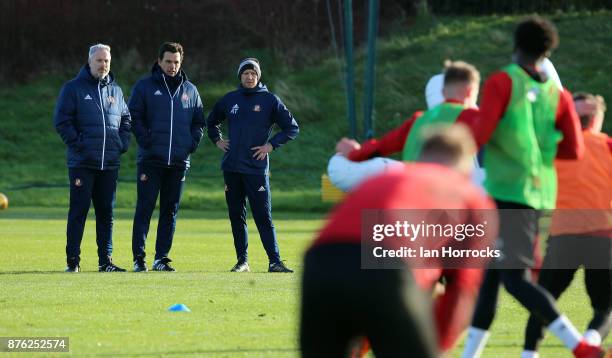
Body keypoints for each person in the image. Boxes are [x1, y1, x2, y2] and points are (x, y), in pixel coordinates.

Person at [460, 16, 602, 358]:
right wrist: (539, 149)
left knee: (515, 280)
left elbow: (481, 134)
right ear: (548, 50)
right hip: (536, 195)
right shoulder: (559, 94)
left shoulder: (502, 82)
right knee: (490, 281)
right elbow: (573, 149)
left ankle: (578, 345)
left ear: (516, 45)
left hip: (504, 192)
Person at [301, 124, 497, 357]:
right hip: (387, 266)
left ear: (421, 156)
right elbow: (462, 288)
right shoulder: (468, 195)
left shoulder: (388, 178)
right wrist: (436, 346)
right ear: (465, 166)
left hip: (320, 263)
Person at [522, 93, 611, 357]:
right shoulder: (607, 145)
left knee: (544, 300)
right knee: (604, 307)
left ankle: (529, 353)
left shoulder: (554, 149)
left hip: (563, 236)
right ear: (597, 118)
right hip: (602, 236)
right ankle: (590, 340)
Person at [206, 58, 299, 273]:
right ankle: (242, 261)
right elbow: (211, 121)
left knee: (263, 216)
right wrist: (217, 140)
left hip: (256, 170)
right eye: (246, 73)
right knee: (236, 215)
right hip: (231, 168)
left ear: (258, 77)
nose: (249, 77)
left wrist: (271, 145)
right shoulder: (230, 100)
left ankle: (274, 261)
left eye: (253, 74)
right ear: (240, 76)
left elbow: (291, 128)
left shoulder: (269, 100)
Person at [54, 44, 131, 272]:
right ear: (89, 62)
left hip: (109, 164)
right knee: (78, 212)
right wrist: (80, 145)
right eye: (99, 61)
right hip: (83, 163)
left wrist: (121, 144)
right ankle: (73, 262)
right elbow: (62, 121)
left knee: (106, 213)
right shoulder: (73, 89)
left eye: (106, 61)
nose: (103, 65)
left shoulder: (115, 91)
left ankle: (105, 261)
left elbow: (126, 119)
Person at [129, 42, 205, 272]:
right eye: (168, 62)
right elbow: (133, 116)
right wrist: (147, 140)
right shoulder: (144, 87)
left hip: (179, 163)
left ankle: (161, 258)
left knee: (170, 211)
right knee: (145, 208)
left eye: (176, 62)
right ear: (159, 61)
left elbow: (199, 122)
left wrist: (189, 145)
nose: (172, 66)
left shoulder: (190, 90)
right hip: (151, 161)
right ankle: (139, 259)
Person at [335, 60, 480, 162]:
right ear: (470, 92)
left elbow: (380, 147)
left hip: (412, 198)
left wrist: (354, 152)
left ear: (442, 92)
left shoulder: (418, 121)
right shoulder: (475, 118)